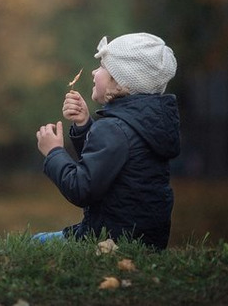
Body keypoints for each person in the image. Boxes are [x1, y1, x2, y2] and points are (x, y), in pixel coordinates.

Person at [34, 33, 181, 250]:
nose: (94, 71)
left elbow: (81, 188)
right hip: (143, 239)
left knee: (35, 243)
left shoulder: (113, 128)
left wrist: (54, 152)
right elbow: (107, 166)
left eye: (102, 67)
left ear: (121, 82)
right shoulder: (144, 123)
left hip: (108, 238)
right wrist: (85, 125)